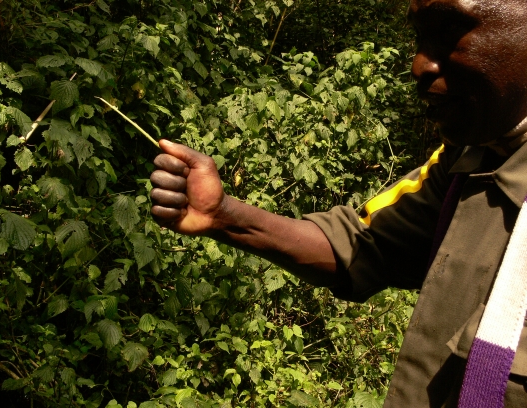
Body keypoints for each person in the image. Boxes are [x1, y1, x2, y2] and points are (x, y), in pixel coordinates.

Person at [150, 0, 527, 406]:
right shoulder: (466, 161)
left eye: (450, 32)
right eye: (420, 38)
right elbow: (364, 243)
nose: (419, 65)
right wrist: (222, 215)